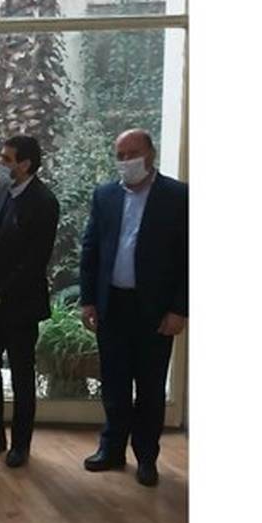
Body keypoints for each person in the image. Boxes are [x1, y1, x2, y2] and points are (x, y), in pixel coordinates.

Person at [79, 129, 188, 487]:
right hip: (113, 304)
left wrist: (180, 309)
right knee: (114, 383)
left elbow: (189, 258)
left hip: (155, 309)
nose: (126, 161)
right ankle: (111, 449)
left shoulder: (178, 196)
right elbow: (91, 249)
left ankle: (146, 457)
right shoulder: (105, 195)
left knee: (151, 387)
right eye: (120, 155)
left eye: (133, 153)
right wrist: (89, 299)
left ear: (151, 154)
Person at [0, 135, 60, 467]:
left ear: (25, 164)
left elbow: (34, 261)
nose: (0, 164)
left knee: (21, 375)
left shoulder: (44, 202)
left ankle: (20, 445)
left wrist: (0, 293)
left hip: (19, 306)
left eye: (6, 159)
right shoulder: (1, 192)